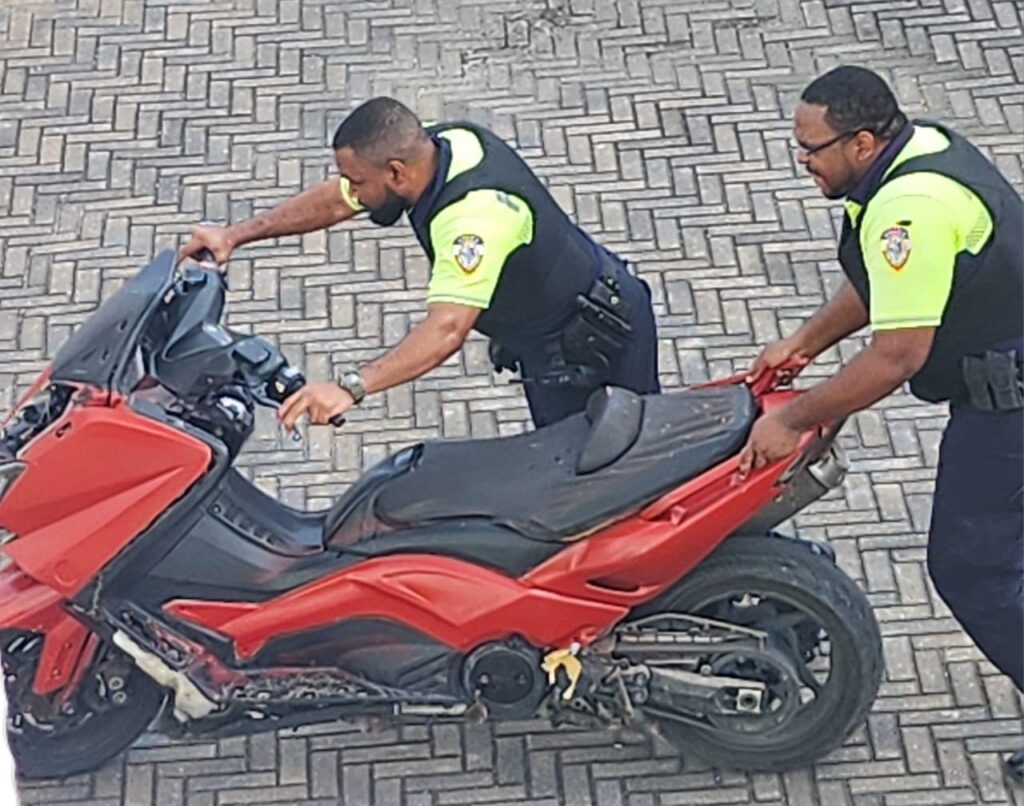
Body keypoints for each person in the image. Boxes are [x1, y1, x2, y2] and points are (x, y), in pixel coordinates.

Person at [737, 66, 1023, 780]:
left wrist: (798, 418)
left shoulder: (908, 208)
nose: (803, 162)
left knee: (973, 567)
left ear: (862, 142)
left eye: (813, 149)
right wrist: (804, 344)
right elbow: (883, 286)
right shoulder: (914, 153)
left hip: (1011, 407)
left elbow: (898, 354)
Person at [179, 98, 659, 429]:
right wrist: (235, 236)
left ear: (394, 173)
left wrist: (352, 387)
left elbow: (446, 330)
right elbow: (335, 202)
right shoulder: (439, 146)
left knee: (621, 476)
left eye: (358, 181)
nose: (354, 193)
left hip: (599, 342)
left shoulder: (472, 219)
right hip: (554, 342)